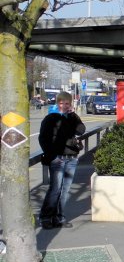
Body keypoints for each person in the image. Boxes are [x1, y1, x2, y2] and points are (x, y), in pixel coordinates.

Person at [39, 91, 86, 229]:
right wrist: (52, 155)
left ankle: (59, 217)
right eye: (61, 103)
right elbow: (43, 139)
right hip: (57, 159)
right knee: (55, 189)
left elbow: (81, 130)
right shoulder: (50, 118)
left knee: (65, 190)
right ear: (57, 103)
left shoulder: (71, 117)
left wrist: (72, 115)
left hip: (71, 158)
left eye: (67, 103)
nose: (64, 106)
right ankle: (46, 217)